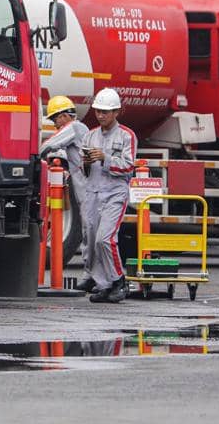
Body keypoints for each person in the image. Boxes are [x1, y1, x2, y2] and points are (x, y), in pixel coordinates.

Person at [81, 87, 136, 303]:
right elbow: (84, 171)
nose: (101, 115)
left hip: (115, 192)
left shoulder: (126, 136)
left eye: (105, 112)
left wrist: (105, 159)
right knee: (94, 241)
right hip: (94, 192)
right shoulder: (89, 135)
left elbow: (128, 167)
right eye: (98, 111)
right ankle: (103, 284)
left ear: (116, 112)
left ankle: (119, 280)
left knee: (106, 239)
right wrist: (87, 162)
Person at [39, 95, 95, 293]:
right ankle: (92, 277)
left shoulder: (74, 128)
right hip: (88, 192)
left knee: (92, 234)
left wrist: (34, 157)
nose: (55, 124)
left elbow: (50, 144)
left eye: (55, 119)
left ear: (64, 116)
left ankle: (94, 278)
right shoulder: (82, 131)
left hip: (89, 194)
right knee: (90, 235)